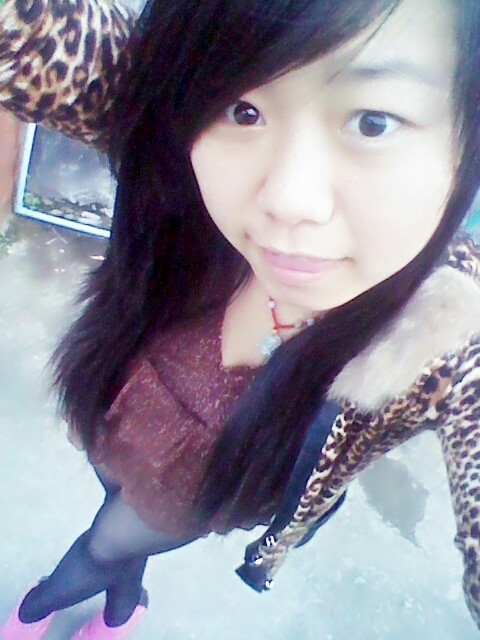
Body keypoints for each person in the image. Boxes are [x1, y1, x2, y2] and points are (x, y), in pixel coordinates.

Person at [1, 0, 480, 637]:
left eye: (373, 122)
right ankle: (121, 613)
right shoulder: (184, 167)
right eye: (243, 110)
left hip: (197, 488)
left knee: (101, 546)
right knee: (119, 539)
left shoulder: (448, 329)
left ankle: (37, 611)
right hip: (123, 421)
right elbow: (30, 33)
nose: (287, 200)